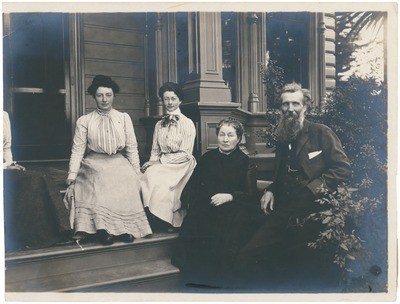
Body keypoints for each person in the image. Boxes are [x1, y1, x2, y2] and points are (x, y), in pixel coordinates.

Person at [235, 82, 352, 286]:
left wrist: (312, 189)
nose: (290, 109)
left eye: (295, 104)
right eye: (286, 104)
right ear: (280, 107)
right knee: (249, 253)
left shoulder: (321, 132)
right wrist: (271, 190)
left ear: (305, 106)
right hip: (284, 208)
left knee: (298, 267)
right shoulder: (283, 137)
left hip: (313, 210)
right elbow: (280, 175)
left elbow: (343, 168)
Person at [171, 119, 264, 287]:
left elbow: (251, 195)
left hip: (233, 208)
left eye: (230, 135)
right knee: (197, 232)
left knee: (224, 236)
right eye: (222, 135)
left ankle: (217, 281)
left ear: (239, 138)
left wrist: (230, 196)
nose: (225, 139)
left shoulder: (245, 162)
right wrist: (189, 202)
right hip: (205, 207)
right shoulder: (207, 158)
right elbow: (193, 184)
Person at [65, 75, 152, 245]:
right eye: (100, 95)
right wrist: (72, 174)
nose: (104, 100)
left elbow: (131, 147)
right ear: (94, 97)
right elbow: (77, 150)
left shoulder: (123, 118)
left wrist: (136, 170)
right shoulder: (85, 121)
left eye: (108, 95)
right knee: (100, 180)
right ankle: (103, 230)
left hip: (118, 160)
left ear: (113, 96)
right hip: (94, 162)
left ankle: (125, 228)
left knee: (126, 178)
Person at [3, 111, 72, 252]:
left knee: (40, 177)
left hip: (5, 170)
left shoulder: (3, 115)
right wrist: (5, 166)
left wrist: (11, 164)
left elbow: (6, 148)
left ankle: (62, 229)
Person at [140, 82, 196, 232]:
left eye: (173, 98)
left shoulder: (187, 123)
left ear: (180, 100)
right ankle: (153, 216)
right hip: (161, 163)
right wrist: (152, 162)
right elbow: (155, 150)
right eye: (166, 99)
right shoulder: (159, 124)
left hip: (181, 164)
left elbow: (185, 154)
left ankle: (167, 220)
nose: (170, 103)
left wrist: (158, 162)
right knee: (146, 174)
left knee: (157, 177)